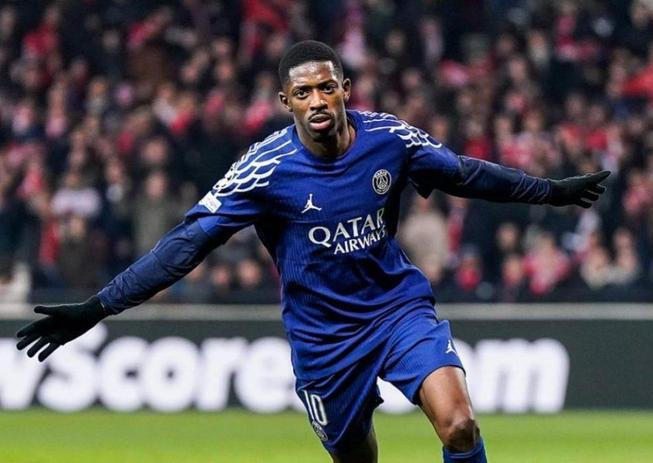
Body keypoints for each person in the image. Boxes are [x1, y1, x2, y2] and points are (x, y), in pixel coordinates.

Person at [16, 41, 609, 463]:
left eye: (328, 87)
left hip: (396, 310)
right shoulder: (264, 169)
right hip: (323, 339)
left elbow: (465, 174)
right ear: (287, 101)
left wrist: (550, 192)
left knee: (459, 425)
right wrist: (97, 308)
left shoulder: (389, 139)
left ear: (345, 89)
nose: (318, 100)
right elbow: (184, 245)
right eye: (304, 92)